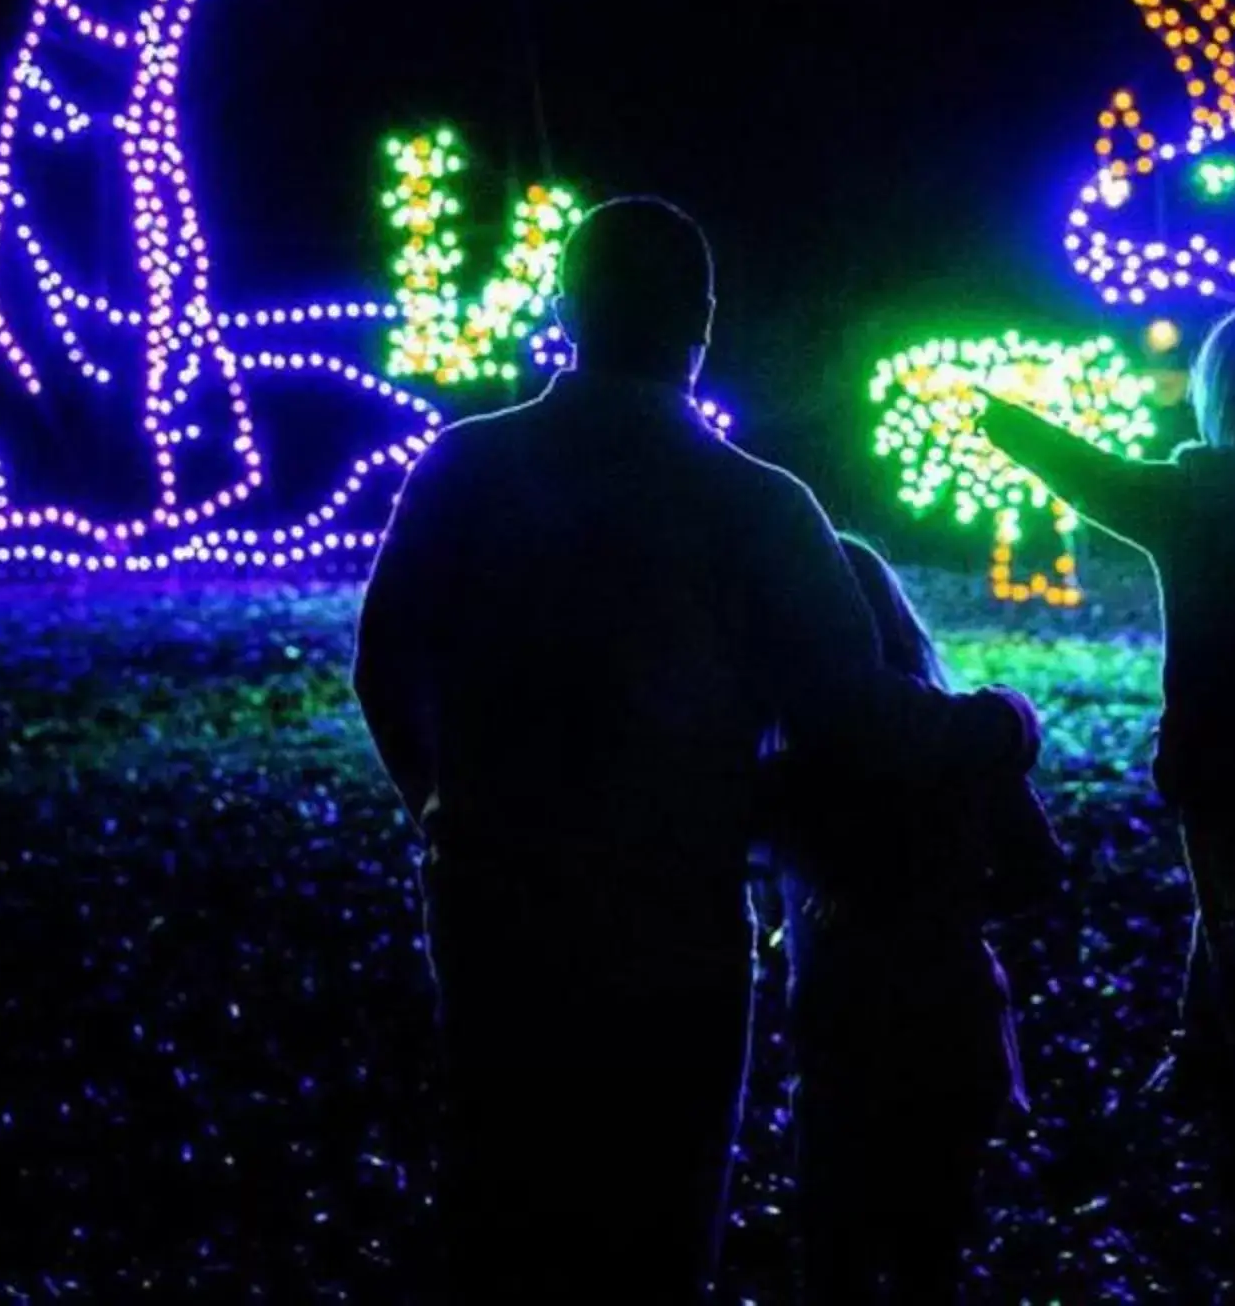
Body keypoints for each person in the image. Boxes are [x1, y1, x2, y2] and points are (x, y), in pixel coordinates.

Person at [352, 196, 1040, 1302]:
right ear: (701, 322)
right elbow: (852, 715)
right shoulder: (755, 504)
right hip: (671, 918)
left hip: (495, 908)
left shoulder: (464, 468)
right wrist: (1000, 726)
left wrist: (439, 807)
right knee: (658, 1218)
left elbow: (385, 664)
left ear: (570, 307)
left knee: (504, 1200)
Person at [977, 304, 1235, 1296]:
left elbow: (1088, 474)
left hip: (1219, 768)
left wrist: (998, 418)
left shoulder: (1190, 499)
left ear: (1221, 396)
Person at [768, 536, 1069, 1303]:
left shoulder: (792, 764)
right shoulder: (962, 741)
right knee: (929, 1246)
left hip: (845, 1026)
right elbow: (1038, 872)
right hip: (949, 1014)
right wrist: (946, 912)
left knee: (836, 1250)